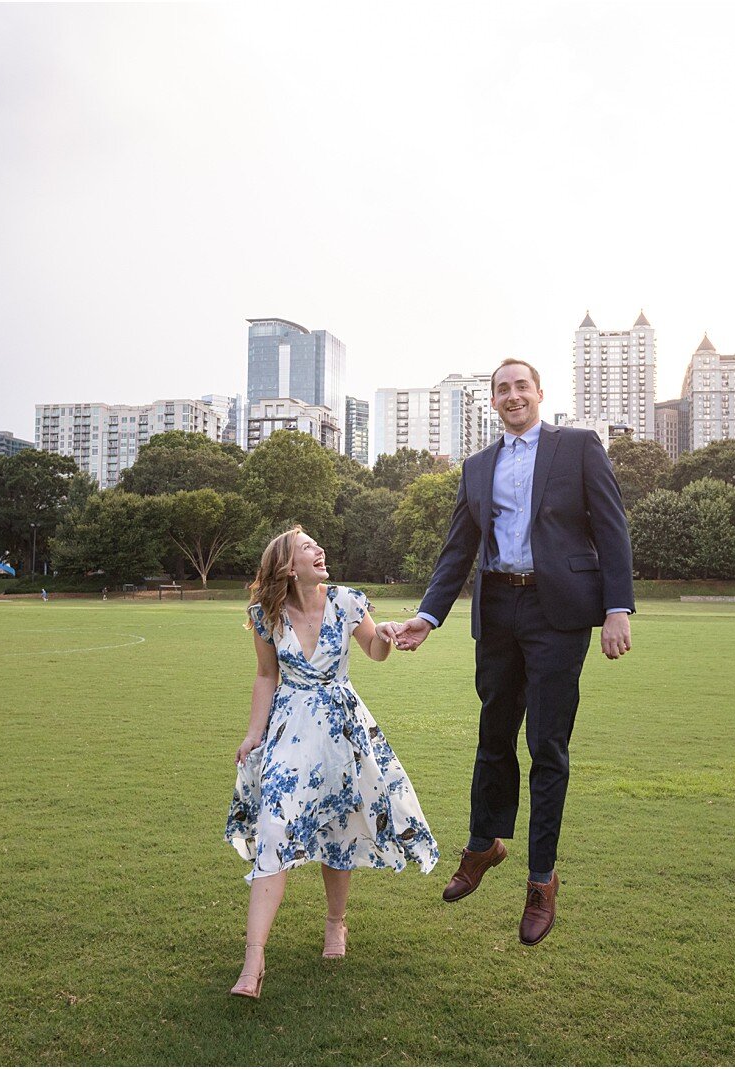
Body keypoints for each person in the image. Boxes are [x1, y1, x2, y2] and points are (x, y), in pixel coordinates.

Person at [382, 358, 633, 947]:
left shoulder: (577, 447)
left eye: (522, 386)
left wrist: (617, 608)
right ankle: (484, 842)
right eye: (502, 389)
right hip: (497, 610)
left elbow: (612, 527)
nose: (513, 395)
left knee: (547, 744)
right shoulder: (476, 467)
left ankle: (541, 881)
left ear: (540, 393)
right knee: (493, 736)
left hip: (558, 613)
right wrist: (427, 615)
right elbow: (457, 550)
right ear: (492, 401)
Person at [224, 526, 437, 999]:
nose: (319, 550)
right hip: (290, 728)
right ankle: (253, 960)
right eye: (307, 547)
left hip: (342, 728)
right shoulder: (266, 615)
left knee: (339, 826)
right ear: (286, 565)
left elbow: (375, 654)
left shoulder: (347, 602)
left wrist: (383, 635)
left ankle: (336, 923)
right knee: (275, 828)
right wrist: (253, 733)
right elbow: (265, 675)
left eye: (318, 545)